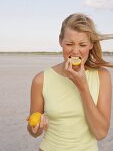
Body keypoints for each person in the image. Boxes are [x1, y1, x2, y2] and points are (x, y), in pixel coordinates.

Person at [27, 13, 113, 151]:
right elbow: (33, 132)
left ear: (91, 44)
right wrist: (36, 128)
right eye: (69, 44)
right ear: (60, 41)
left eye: (82, 44)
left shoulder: (102, 76)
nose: (75, 51)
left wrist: (82, 86)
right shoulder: (41, 80)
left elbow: (101, 133)